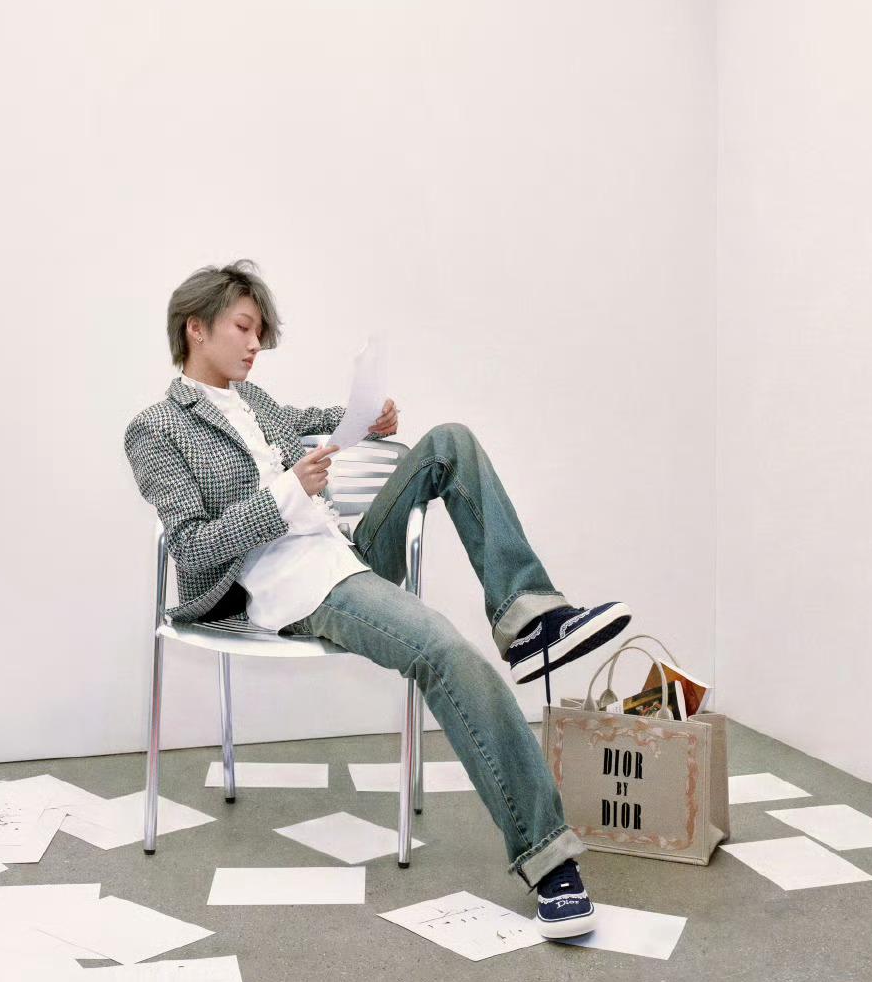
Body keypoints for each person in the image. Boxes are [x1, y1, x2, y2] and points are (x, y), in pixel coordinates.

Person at [124, 259, 633, 940]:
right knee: (444, 650)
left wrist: (369, 419)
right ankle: (549, 860)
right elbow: (190, 547)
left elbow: (317, 420)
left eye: (259, 332)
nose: (255, 344)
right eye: (243, 328)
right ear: (196, 328)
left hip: (345, 550)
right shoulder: (157, 428)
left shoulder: (254, 401)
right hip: (291, 585)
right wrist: (287, 492)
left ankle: (530, 617)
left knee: (449, 441)